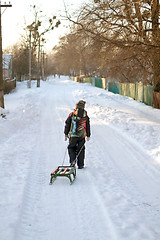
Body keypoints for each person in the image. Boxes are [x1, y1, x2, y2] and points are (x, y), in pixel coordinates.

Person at [64, 100, 91, 169]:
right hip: (82, 136)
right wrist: (88, 135)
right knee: (81, 149)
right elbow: (87, 126)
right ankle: (81, 165)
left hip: (73, 136)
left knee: (71, 147)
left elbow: (67, 124)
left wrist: (66, 133)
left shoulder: (72, 114)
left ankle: (72, 162)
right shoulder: (85, 116)